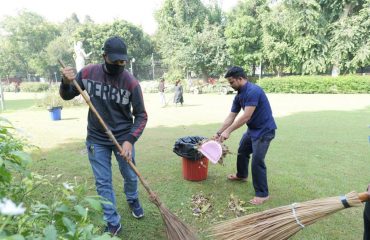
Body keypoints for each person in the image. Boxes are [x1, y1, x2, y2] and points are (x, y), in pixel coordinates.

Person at [60, 36, 148, 236]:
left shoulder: (131, 82)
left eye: (122, 61)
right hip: (97, 139)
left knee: (130, 176)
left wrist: (129, 140)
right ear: (104, 56)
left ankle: (133, 199)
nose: (119, 64)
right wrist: (66, 81)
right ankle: (112, 220)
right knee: (103, 182)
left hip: (123, 139)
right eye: (115, 60)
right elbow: (67, 95)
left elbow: (141, 115)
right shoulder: (89, 72)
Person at [215, 66, 277, 205]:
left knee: (257, 161)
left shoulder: (253, 91)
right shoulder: (239, 96)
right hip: (253, 130)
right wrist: (219, 132)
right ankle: (241, 175)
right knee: (242, 150)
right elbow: (231, 116)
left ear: (240, 79)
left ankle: (263, 194)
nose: (231, 85)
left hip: (264, 130)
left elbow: (246, 116)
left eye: (232, 82)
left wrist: (228, 131)